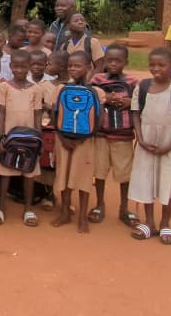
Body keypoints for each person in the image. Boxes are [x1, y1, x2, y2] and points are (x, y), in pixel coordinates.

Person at [129, 47, 171, 245]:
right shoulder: (143, 87)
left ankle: (165, 222)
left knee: (168, 182)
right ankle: (149, 222)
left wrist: (169, 145)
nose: (156, 69)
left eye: (162, 65)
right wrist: (139, 137)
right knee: (145, 179)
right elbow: (135, 113)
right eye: (152, 65)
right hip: (146, 143)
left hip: (170, 144)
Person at [51, 52, 104, 233]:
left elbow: (99, 119)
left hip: (86, 141)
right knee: (64, 176)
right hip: (63, 139)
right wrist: (63, 137)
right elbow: (55, 114)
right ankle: (65, 211)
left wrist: (84, 136)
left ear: (88, 67)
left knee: (83, 177)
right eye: (71, 66)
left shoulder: (96, 92)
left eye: (78, 66)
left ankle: (82, 216)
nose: (73, 69)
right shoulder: (61, 89)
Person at [88, 44, 138, 227]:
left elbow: (141, 101)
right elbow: (90, 96)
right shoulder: (97, 79)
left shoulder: (133, 82)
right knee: (99, 172)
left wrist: (129, 101)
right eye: (110, 60)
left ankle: (124, 208)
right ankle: (100, 204)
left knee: (124, 173)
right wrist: (107, 99)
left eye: (118, 61)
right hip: (101, 135)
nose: (113, 64)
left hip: (123, 136)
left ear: (126, 62)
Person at [0, 50, 44, 227]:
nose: (19, 70)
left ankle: (28, 209)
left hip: (30, 137)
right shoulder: (4, 87)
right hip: (9, 135)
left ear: (29, 67)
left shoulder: (36, 89)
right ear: (10, 66)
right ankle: (0, 208)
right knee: (5, 171)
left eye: (23, 66)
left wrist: (40, 138)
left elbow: (38, 115)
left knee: (29, 173)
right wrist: (2, 136)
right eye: (16, 66)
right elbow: (1, 112)